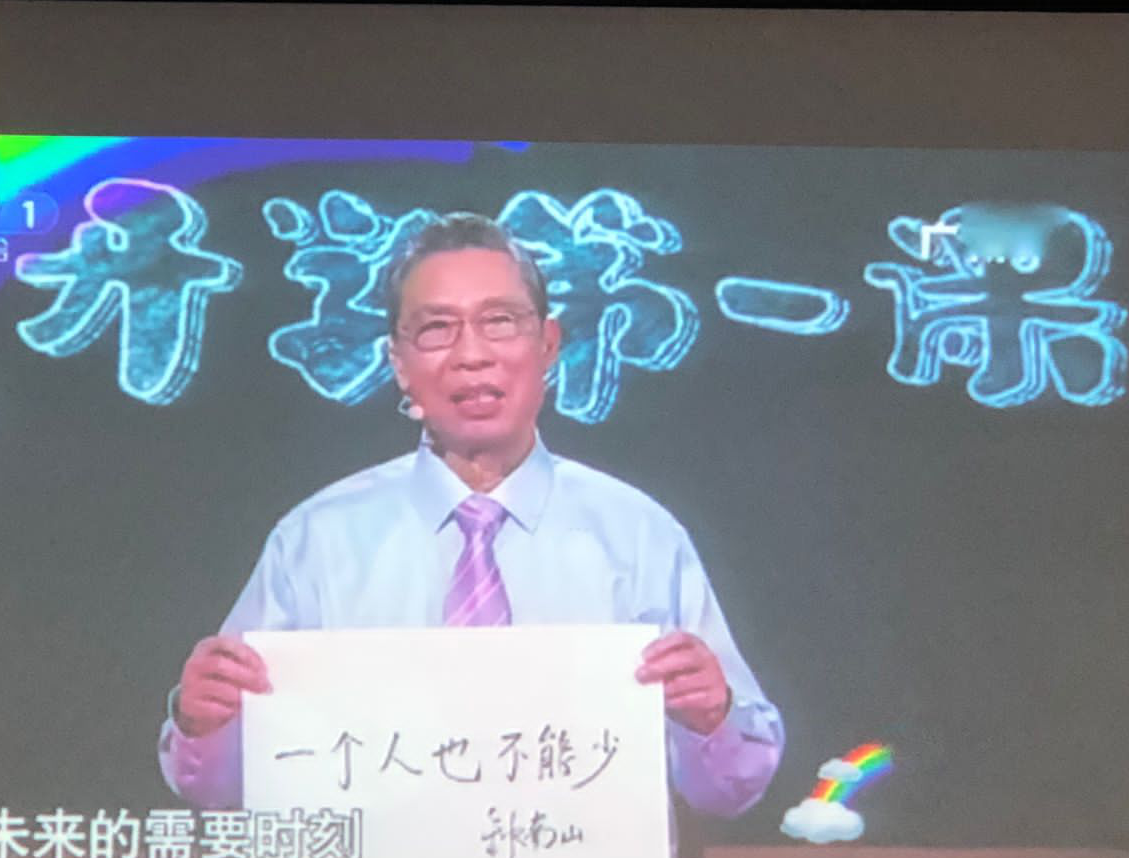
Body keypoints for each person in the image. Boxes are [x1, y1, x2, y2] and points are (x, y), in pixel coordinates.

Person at [158, 213, 784, 818]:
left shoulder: (638, 535)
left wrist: (712, 717)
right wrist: (205, 723)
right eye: (436, 329)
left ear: (548, 344)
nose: (471, 354)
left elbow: (728, 792)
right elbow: (217, 788)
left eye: (500, 322)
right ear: (398, 362)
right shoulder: (316, 541)